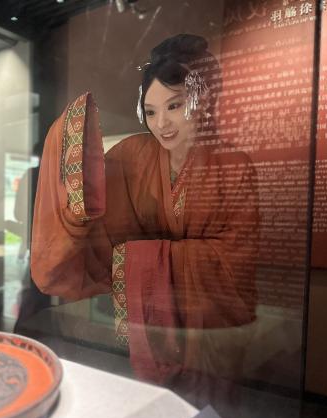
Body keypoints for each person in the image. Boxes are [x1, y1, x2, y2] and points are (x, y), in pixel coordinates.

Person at [30, 34, 259, 387]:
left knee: (207, 402)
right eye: (151, 112)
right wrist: (72, 204)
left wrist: (144, 260)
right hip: (148, 326)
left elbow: (238, 261)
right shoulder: (134, 155)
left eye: (174, 106)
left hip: (210, 330)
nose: (161, 123)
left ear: (203, 99)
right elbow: (92, 205)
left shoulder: (234, 166)